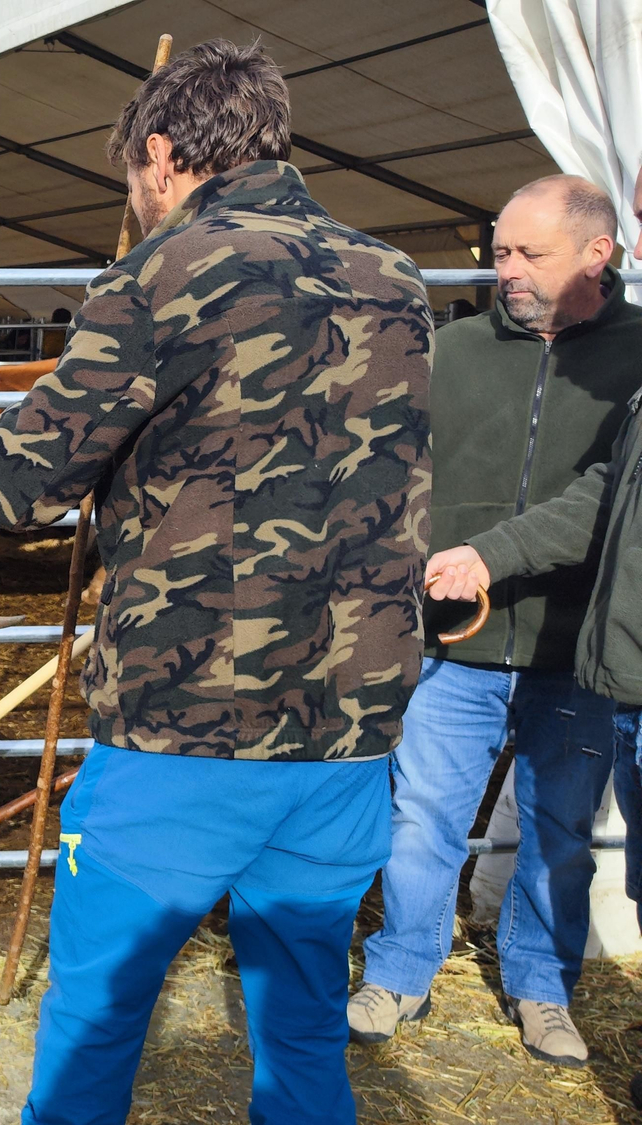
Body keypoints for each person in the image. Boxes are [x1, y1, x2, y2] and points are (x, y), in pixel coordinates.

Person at [0, 41, 433, 1124]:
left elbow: (16, 487)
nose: (131, 197)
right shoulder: (395, 276)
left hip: (185, 727)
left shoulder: (164, 270)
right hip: (345, 728)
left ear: (163, 155)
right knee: (304, 1024)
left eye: (129, 175)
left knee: (96, 1016)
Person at [347, 175, 641, 1066]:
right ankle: (400, 969)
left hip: (578, 647)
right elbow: (387, 465)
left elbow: (610, 502)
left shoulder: (637, 357)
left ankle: (543, 985)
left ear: (599, 253)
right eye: (499, 251)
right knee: (423, 814)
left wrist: (494, 553)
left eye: (528, 254)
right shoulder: (453, 348)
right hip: (455, 640)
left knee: (559, 827)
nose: (504, 269)